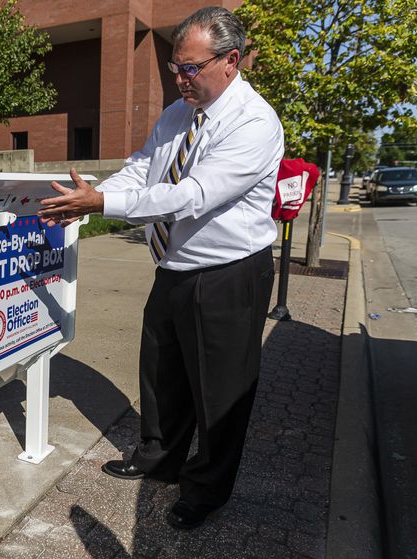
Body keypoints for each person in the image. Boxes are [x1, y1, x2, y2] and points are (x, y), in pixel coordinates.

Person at [38, 7, 283, 530]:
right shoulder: (177, 114)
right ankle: (159, 457)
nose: (180, 78)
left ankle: (206, 488)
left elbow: (191, 195)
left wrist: (100, 206)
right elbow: (142, 168)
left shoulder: (254, 122)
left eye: (190, 68)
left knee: (219, 390)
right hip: (174, 266)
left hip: (229, 274)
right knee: (161, 373)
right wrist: (96, 192)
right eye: (176, 67)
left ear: (230, 60)